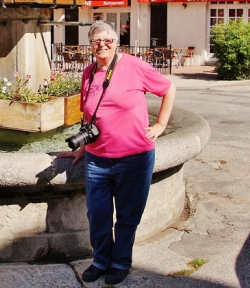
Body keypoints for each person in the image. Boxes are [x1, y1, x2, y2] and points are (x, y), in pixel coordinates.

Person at [58, 20, 176, 285]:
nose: (102, 45)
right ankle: (100, 260)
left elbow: (168, 89)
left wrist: (160, 125)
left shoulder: (135, 66)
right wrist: (84, 148)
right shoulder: (88, 72)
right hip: (98, 159)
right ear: (90, 45)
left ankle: (121, 262)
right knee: (97, 215)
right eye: (96, 41)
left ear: (116, 42)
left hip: (134, 158)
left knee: (127, 217)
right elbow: (89, 113)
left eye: (107, 40)